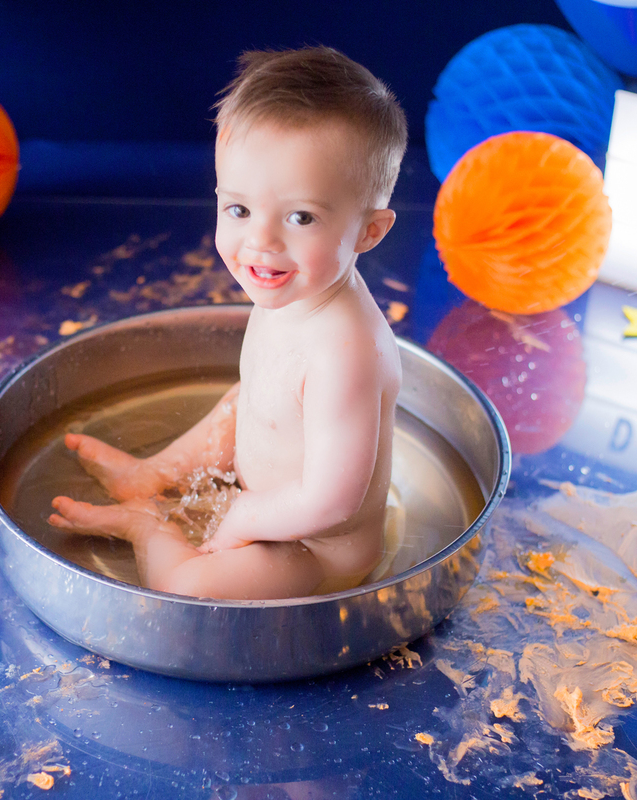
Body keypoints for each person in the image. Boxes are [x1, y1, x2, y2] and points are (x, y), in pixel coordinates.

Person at [47, 46, 408, 600]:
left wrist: (243, 518)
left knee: (186, 586)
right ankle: (152, 476)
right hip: (267, 506)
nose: (260, 242)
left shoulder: (346, 353)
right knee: (243, 400)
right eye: (238, 210)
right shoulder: (293, 290)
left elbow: (332, 501)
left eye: (301, 217)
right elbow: (262, 398)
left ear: (369, 233)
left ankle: (147, 527)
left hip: (315, 550)